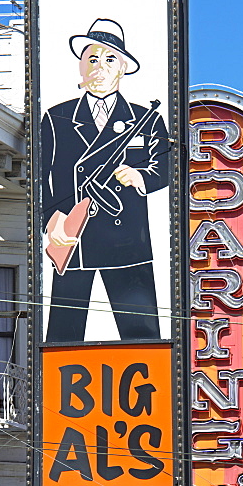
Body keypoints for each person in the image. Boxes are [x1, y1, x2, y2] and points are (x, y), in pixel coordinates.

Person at [41, 18, 171, 343]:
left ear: (124, 67)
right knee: (62, 341)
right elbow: (41, 176)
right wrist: (51, 220)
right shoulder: (56, 118)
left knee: (143, 341)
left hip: (128, 242)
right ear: (81, 67)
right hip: (73, 239)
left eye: (110, 58)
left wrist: (141, 175)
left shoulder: (147, 118)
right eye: (92, 58)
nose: (100, 66)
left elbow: (169, 164)